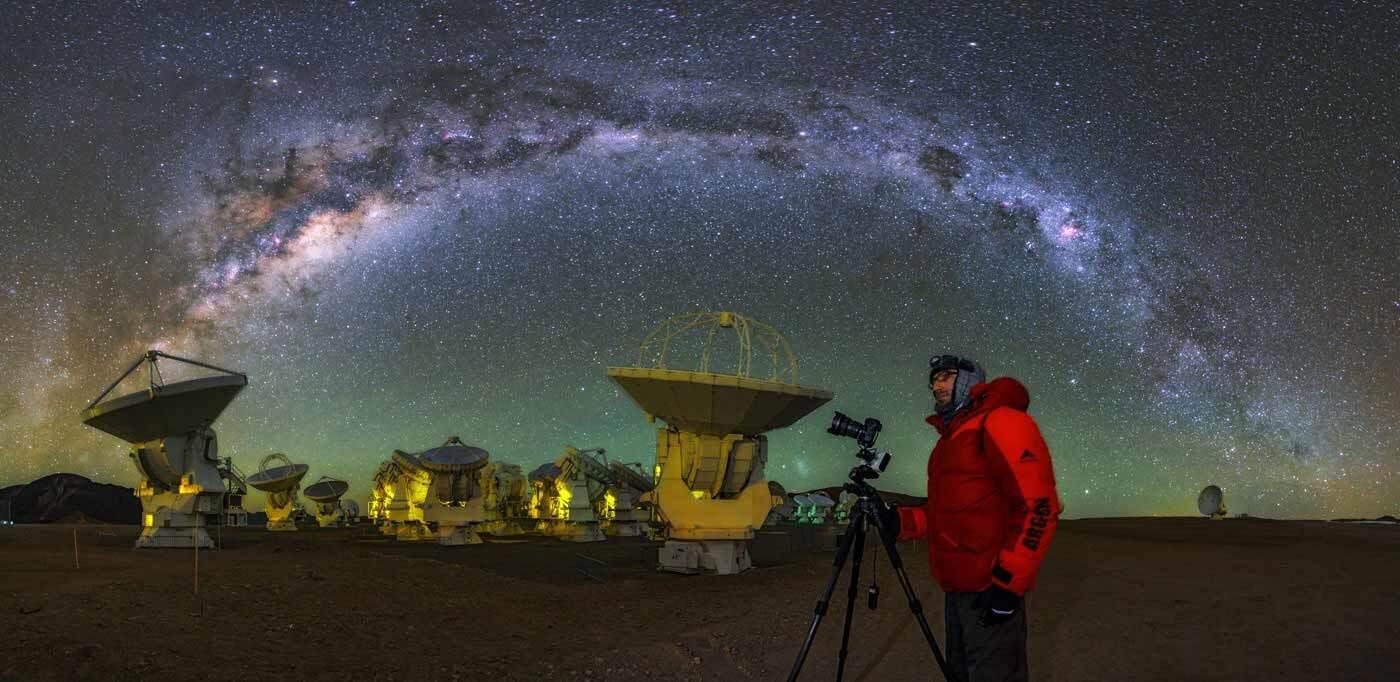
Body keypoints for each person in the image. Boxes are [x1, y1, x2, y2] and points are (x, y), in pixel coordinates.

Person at [878, 354, 1063, 682]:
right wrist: (901, 522)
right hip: (957, 590)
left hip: (989, 587)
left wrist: (1009, 584)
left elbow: (1039, 506)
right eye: (934, 380)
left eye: (946, 376)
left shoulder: (1002, 422)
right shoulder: (950, 441)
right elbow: (950, 515)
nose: (936, 385)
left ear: (970, 379)